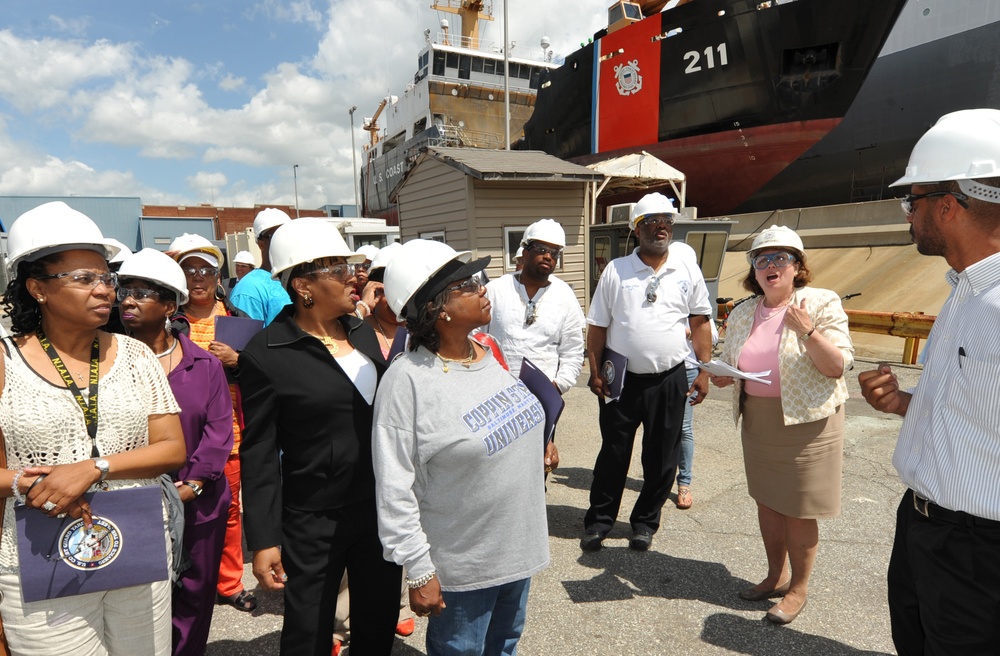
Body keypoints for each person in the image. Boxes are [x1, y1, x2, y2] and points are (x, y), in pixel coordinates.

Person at [0, 201, 186, 654]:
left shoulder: (137, 355)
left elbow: (171, 448)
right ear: (37, 289)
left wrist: (93, 467)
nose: (105, 290)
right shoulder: (5, 361)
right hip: (40, 555)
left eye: (107, 277)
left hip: (136, 546)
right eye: (84, 279)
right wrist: (30, 481)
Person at [857, 108, 1000, 654]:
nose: (907, 215)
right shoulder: (964, 291)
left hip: (976, 551)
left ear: (948, 205)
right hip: (925, 527)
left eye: (911, 201)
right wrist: (904, 403)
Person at [373, 239, 557, 656]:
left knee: (504, 647)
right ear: (438, 308)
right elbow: (394, 486)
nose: (484, 289)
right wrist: (419, 571)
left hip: (516, 550)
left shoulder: (485, 350)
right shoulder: (407, 381)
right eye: (469, 285)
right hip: (464, 566)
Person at [239, 218, 401, 656]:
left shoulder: (360, 331)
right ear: (302, 284)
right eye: (337, 268)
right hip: (314, 518)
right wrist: (264, 539)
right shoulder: (267, 353)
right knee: (308, 628)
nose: (354, 277)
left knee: (378, 617)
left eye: (350, 265)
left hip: (378, 507)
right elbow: (258, 452)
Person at [710, 224, 853, 625]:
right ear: (754, 270)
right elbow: (734, 361)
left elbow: (837, 366)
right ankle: (776, 575)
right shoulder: (742, 312)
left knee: (799, 508)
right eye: (762, 259)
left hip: (808, 422)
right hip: (760, 419)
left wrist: (806, 331)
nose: (770, 265)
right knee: (768, 502)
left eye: (780, 258)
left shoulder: (821, 302)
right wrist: (725, 375)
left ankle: (798, 588)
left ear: (797, 266)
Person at [117, 248, 235, 656]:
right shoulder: (108, 362)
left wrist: (195, 484)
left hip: (198, 503)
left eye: (142, 293)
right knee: (137, 598)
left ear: (170, 305)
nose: (128, 300)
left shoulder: (204, 364)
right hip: (131, 501)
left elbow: (220, 430)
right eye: (125, 291)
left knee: (193, 597)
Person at [582, 192, 713, 553]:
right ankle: (600, 521)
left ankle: (644, 523)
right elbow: (597, 326)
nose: (661, 227)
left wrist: (702, 370)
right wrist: (595, 371)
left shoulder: (686, 268)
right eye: (652, 221)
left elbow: (700, 321)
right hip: (621, 379)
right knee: (613, 453)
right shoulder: (616, 270)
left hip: (670, 378)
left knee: (661, 457)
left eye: (667, 221)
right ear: (636, 229)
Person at [169, 233, 256, 614]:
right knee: (180, 510)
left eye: (206, 269)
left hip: (230, 433)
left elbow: (264, 377)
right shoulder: (170, 322)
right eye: (190, 270)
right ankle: (184, 578)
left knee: (230, 510)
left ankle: (229, 582)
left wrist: (238, 361)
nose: (198, 277)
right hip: (177, 434)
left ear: (218, 276)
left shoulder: (237, 322)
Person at [485, 218, 585, 394]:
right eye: (541, 249)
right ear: (525, 253)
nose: (548, 256)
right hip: (496, 393)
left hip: (543, 395)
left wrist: (558, 386)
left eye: (554, 253)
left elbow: (573, 350)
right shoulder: (495, 291)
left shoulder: (564, 295)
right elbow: (475, 339)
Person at [674, 318, 719, 510]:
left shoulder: (691, 297)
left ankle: (684, 483)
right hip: (656, 371)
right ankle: (657, 481)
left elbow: (714, 336)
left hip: (687, 369)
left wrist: (688, 333)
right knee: (658, 428)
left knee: (684, 428)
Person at [229, 208, 293, 324]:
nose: (284, 241)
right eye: (276, 236)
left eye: (288, 234)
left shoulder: (300, 278)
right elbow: (245, 340)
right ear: (261, 244)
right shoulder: (249, 290)